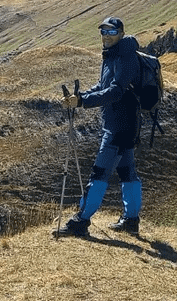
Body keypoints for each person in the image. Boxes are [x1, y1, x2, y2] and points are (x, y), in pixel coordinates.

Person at [54, 16, 143, 237]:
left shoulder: (126, 57)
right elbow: (102, 86)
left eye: (112, 32)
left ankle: (81, 221)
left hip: (119, 127)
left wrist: (82, 103)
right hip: (122, 124)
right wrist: (80, 96)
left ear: (121, 34)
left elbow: (115, 91)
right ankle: (131, 220)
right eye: (103, 31)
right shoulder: (112, 55)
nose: (106, 36)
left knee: (99, 172)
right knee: (127, 172)